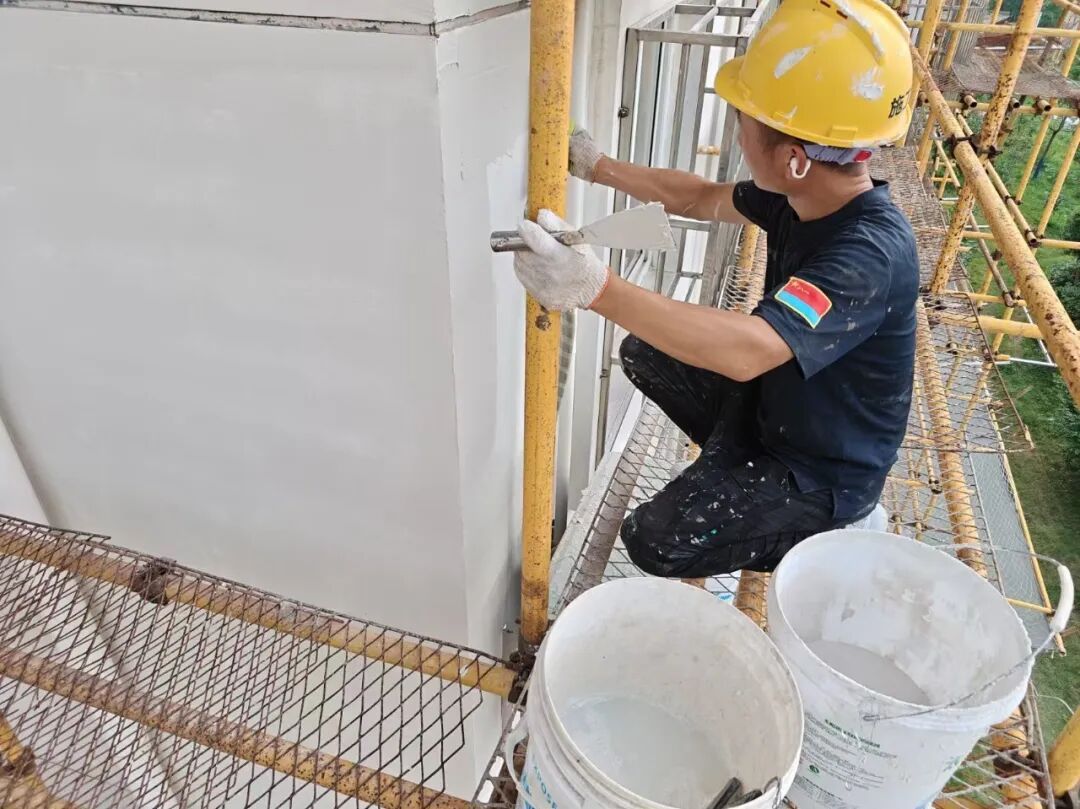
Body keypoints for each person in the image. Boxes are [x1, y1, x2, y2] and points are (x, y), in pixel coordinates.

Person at [512, 0, 920, 579]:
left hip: (822, 472)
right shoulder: (803, 195)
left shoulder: (869, 255)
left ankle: (818, 534)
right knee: (645, 350)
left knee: (656, 541)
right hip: (780, 409)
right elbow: (698, 197)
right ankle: (736, 466)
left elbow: (750, 350)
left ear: (794, 158)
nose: (737, 130)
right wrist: (596, 165)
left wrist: (592, 287)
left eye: (744, 120)